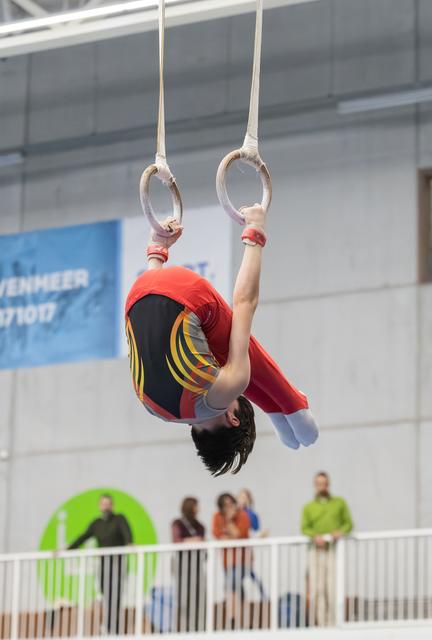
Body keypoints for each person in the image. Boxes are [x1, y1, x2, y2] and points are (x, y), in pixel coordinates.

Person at [125, 204, 318, 477]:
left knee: (236, 360)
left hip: (185, 291)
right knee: (202, 353)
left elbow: (245, 303)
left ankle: (289, 405)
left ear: (232, 417)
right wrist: (156, 251)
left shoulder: (219, 394)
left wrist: (255, 234)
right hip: (137, 293)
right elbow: (151, 327)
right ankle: (283, 409)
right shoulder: (154, 410)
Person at [68, 494, 132, 634]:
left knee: (115, 594)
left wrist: (129, 543)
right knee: (106, 594)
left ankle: (113, 626)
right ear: (99, 506)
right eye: (103, 503)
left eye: (108, 503)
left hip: (118, 563)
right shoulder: (96, 523)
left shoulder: (119, 519)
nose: (106, 506)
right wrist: (67, 549)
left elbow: (127, 535)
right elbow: (83, 537)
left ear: (112, 505)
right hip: (103, 564)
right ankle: (109, 625)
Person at [301, 472, 353, 627]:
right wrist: (314, 536)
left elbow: (348, 524)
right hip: (315, 551)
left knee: (332, 587)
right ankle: (323, 625)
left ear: (328, 484)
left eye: (324, 483)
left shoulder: (339, 503)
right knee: (318, 588)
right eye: (318, 483)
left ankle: (334, 623)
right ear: (315, 485)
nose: (321, 486)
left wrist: (340, 532)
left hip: (332, 550)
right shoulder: (308, 507)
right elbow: (304, 528)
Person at [212, 493, 250, 629]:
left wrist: (229, 521)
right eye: (225, 506)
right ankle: (242, 617)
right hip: (227, 560)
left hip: (243, 559)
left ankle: (232, 617)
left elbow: (239, 534)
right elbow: (218, 535)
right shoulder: (217, 517)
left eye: (230, 504)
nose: (228, 508)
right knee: (236, 586)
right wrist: (229, 536)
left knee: (231, 583)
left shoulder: (242, 516)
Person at [171, 497, 206, 632]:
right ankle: (183, 629)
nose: (198, 509)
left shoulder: (200, 526)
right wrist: (193, 541)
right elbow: (176, 541)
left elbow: (203, 542)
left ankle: (199, 629)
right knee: (184, 598)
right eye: (196, 506)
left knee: (199, 597)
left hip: (197, 565)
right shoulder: (178, 523)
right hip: (182, 565)